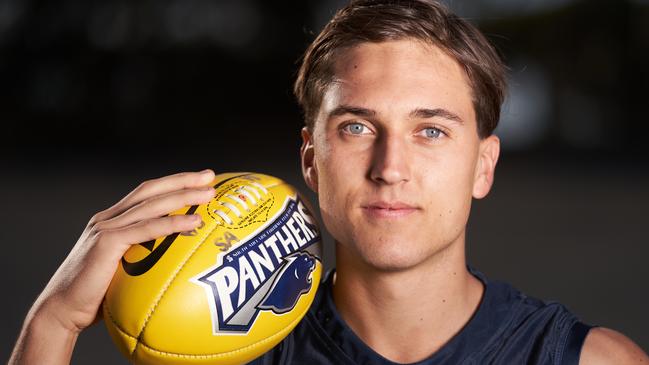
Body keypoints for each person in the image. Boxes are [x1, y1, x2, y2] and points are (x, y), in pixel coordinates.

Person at [9, 1, 649, 364]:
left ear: (483, 165)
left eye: (431, 130)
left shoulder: (587, 362)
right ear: (311, 161)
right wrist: (55, 322)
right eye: (357, 128)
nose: (390, 167)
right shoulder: (221, 357)